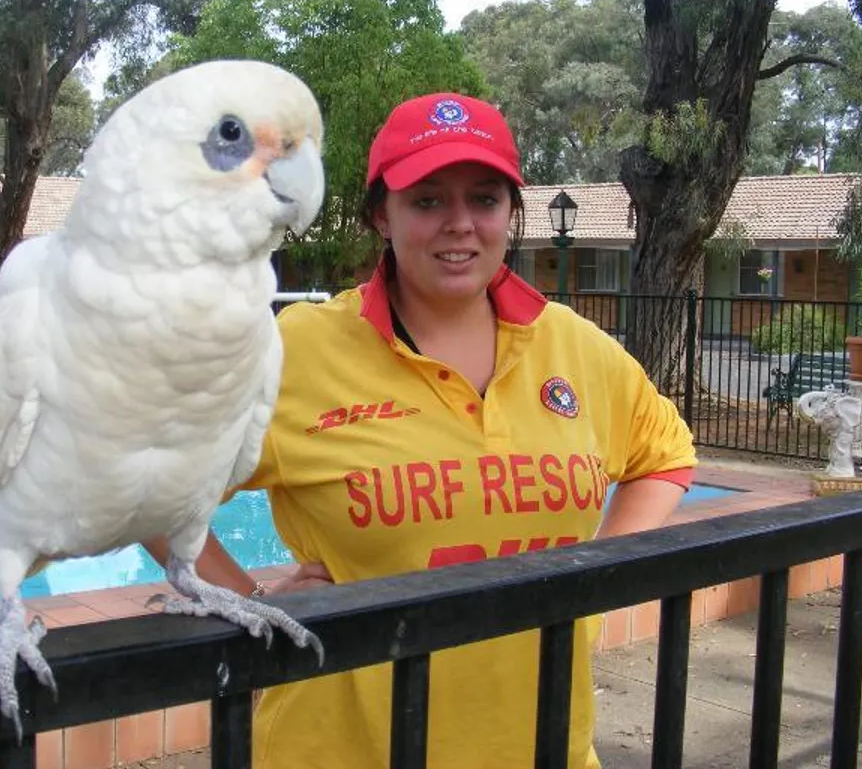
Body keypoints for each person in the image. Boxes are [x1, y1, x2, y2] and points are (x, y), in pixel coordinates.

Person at [146, 91, 697, 768]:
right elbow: (148, 483)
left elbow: (664, 454)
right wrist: (250, 602)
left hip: (541, 745)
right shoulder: (295, 353)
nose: (460, 224)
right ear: (383, 213)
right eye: (428, 200)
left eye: (485, 199)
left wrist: (598, 575)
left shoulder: (575, 348)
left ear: (510, 212)